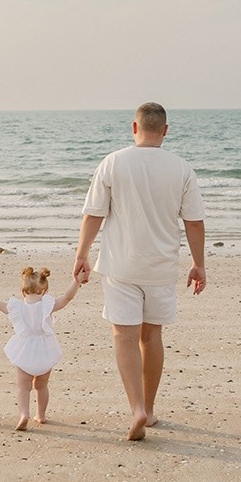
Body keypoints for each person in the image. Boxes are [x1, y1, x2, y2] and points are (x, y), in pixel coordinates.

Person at [73, 102, 206, 441]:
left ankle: (136, 409)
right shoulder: (182, 168)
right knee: (152, 336)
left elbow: (94, 214)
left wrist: (82, 255)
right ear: (165, 131)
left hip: (121, 265)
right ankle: (149, 407)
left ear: (134, 128)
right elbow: (193, 222)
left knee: (124, 335)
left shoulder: (113, 162)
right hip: (161, 267)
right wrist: (198, 264)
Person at [0, 266, 81, 431]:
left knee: (23, 387)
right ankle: (41, 415)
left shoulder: (17, 307)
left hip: (24, 351)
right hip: (45, 351)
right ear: (45, 291)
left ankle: (24, 414)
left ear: (23, 292)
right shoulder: (47, 305)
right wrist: (77, 281)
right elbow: (67, 297)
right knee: (42, 386)